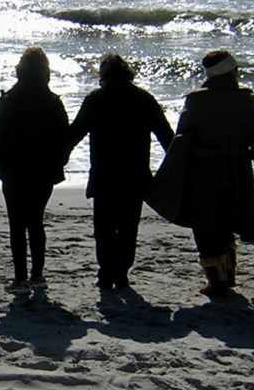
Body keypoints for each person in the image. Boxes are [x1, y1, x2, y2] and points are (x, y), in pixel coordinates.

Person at [67, 53, 174, 291]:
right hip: (135, 175)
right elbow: (166, 137)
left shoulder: (96, 99)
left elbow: (74, 135)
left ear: (103, 76)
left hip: (104, 174)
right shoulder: (144, 99)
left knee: (103, 228)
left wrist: (55, 157)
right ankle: (122, 273)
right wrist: (177, 167)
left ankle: (106, 273)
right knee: (128, 227)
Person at [168, 50, 254, 299]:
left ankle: (216, 281)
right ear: (231, 71)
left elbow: (182, 140)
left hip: (203, 170)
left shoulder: (196, 100)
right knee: (228, 220)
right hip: (237, 170)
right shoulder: (247, 100)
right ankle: (229, 275)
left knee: (204, 225)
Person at [0, 47, 70, 294]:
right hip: (43, 171)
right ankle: (38, 275)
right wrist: (59, 163)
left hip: (13, 169)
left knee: (17, 223)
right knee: (36, 221)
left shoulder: (9, 100)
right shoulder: (53, 102)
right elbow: (64, 139)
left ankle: (20, 279)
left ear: (21, 71)